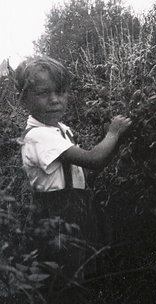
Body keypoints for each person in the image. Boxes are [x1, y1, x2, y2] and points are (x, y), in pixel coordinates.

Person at [15, 55, 132, 281]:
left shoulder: (59, 130)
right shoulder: (39, 136)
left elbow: (84, 171)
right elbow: (93, 159)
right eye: (43, 93)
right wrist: (113, 133)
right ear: (23, 100)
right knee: (62, 275)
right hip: (56, 212)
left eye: (60, 92)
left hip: (76, 208)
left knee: (78, 270)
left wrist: (113, 145)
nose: (54, 100)